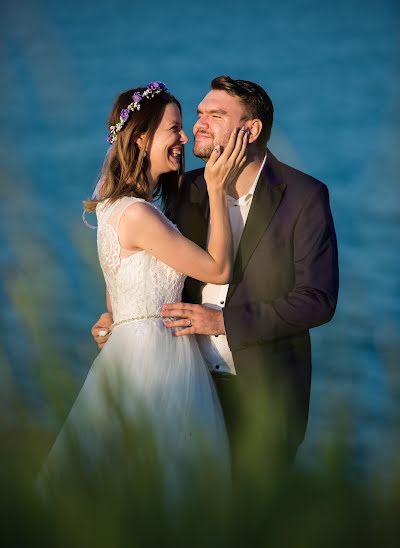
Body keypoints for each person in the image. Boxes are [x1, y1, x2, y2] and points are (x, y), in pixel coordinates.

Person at [92, 76, 339, 469]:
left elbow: (318, 300)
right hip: (183, 384)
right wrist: (121, 318)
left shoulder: (304, 196)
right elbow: (150, 262)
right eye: (199, 114)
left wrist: (224, 321)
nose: (197, 126)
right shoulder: (183, 190)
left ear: (251, 129)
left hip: (262, 394)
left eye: (215, 115)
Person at [44, 81, 248, 486]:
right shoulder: (139, 214)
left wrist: (110, 320)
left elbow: (116, 299)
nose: (185, 137)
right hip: (159, 361)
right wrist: (215, 186)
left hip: (132, 349)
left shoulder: (110, 209)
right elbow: (219, 268)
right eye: (174, 129)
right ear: (141, 138)